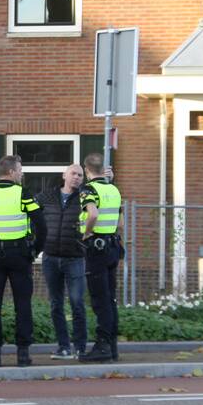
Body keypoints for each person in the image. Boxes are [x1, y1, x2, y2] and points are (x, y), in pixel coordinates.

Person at [0, 155, 47, 367]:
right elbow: (41, 226)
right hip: (20, 256)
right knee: (22, 304)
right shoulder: (22, 194)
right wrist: (35, 250)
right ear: (11, 172)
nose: (22, 174)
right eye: (20, 170)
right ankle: (23, 354)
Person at [35, 164, 87, 360]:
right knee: (56, 304)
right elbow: (32, 215)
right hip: (50, 257)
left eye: (80, 175)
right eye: (73, 173)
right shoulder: (47, 197)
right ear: (64, 175)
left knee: (77, 302)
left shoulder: (85, 197)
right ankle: (63, 347)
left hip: (74, 258)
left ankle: (80, 347)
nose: (76, 177)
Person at [78, 153, 124, 363]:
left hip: (96, 249)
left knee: (99, 299)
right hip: (112, 246)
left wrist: (87, 232)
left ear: (87, 170)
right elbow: (121, 223)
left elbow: (93, 214)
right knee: (110, 297)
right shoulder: (114, 189)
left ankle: (102, 346)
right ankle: (112, 346)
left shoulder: (89, 189)